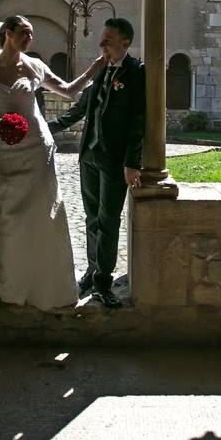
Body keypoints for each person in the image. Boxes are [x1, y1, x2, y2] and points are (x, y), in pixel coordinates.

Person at [0, 15, 108, 310]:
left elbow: (68, 90)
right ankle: (14, 285)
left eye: (32, 34)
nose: (30, 39)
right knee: (12, 215)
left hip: (37, 148)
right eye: (24, 33)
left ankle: (49, 285)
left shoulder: (35, 66)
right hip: (7, 149)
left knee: (44, 214)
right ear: (7, 34)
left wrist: (96, 66)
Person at [47, 18, 145, 309]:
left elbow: (139, 120)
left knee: (108, 220)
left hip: (115, 160)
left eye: (108, 40)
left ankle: (104, 282)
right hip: (88, 157)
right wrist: (43, 126)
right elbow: (79, 109)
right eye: (102, 39)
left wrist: (132, 162)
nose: (102, 45)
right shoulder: (101, 70)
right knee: (91, 218)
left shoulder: (137, 71)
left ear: (125, 43)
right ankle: (91, 272)